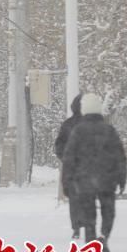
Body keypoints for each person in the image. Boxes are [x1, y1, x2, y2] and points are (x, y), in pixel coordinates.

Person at [62, 93, 127, 252]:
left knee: (88, 214)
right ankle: (104, 237)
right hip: (107, 179)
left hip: (84, 181)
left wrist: (67, 181)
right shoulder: (109, 130)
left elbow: (69, 158)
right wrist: (122, 179)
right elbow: (119, 156)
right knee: (108, 211)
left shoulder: (78, 131)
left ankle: (91, 245)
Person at [54, 94, 83, 238]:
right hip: (89, 166)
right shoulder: (94, 124)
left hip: (71, 166)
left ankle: (76, 227)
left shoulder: (67, 124)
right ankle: (88, 223)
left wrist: (65, 158)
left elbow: (59, 145)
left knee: (74, 197)